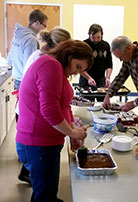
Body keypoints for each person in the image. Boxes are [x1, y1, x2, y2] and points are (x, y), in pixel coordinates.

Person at [16, 40, 94, 202]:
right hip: (37, 144)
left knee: (44, 191)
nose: (76, 72)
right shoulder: (50, 66)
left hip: (44, 144)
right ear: (70, 54)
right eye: (78, 66)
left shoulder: (57, 68)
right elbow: (49, 109)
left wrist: (72, 131)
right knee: (46, 195)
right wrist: (72, 131)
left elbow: (64, 106)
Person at [17, 27, 71, 185]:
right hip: (34, 125)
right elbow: (48, 107)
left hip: (36, 124)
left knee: (43, 181)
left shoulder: (49, 60)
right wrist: (72, 132)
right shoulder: (47, 62)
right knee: (41, 178)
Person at [7, 9, 48, 90]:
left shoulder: (18, 35)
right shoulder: (31, 40)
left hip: (17, 79)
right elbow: (30, 67)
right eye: (44, 26)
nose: (44, 29)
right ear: (37, 23)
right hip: (25, 81)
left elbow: (9, 60)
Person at [79, 24, 113, 101]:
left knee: (102, 104)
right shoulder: (83, 45)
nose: (96, 40)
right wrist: (89, 78)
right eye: (93, 37)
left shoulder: (106, 45)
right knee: (87, 104)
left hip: (101, 80)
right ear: (89, 35)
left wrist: (108, 77)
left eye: (98, 37)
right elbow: (79, 67)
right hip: (86, 80)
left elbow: (109, 64)